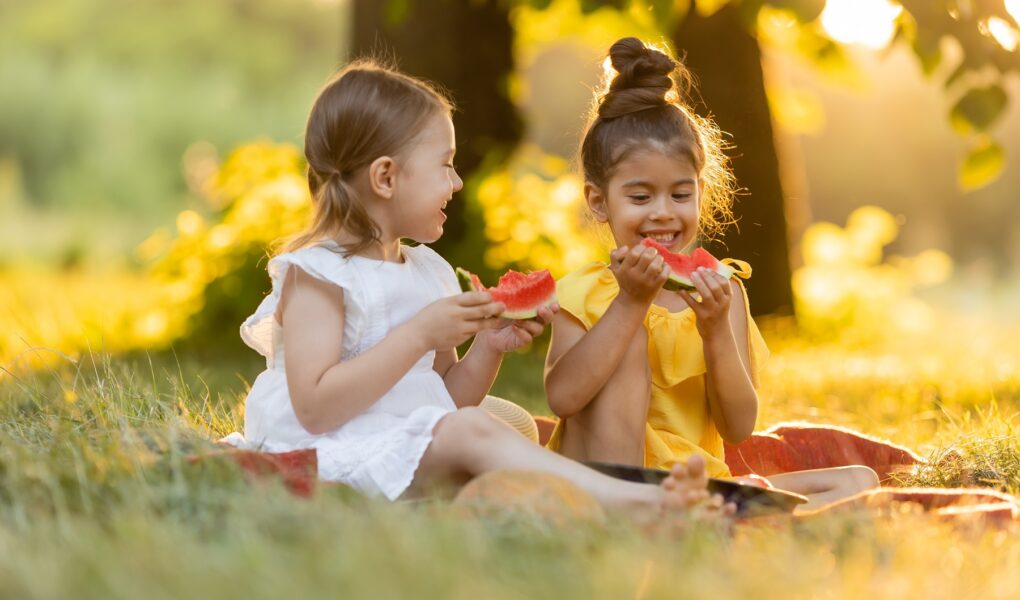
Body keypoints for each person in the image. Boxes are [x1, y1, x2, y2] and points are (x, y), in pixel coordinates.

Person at [225, 58, 724, 520]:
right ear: (386, 177)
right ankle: (635, 503)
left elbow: (445, 399)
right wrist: (420, 334)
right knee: (475, 431)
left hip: (399, 446)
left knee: (500, 423)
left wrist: (488, 347)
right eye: (445, 165)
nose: (457, 182)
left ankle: (541, 505)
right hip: (328, 453)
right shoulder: (318, 274)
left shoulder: (427, 271)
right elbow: (315, 408)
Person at [543, 38, 878, 511]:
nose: (663, 212)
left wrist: (717, 330)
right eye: (640, 197)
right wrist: (630, 304)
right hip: (607, 487)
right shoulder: (583, 292)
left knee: (859, 480)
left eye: (680, 195)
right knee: (628, 343)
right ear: (599, 201)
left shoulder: (722, 291)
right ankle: (646, 516)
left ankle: (719, 517)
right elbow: (561, 398)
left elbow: (738, 428)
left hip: (696, 487)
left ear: (700, 192)